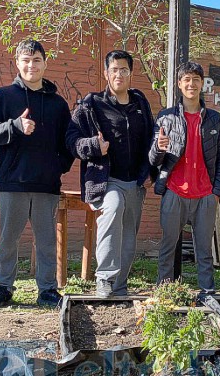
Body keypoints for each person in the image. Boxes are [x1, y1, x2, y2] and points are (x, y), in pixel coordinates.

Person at [0, 39, 73, 308]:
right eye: (26, 60)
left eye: (37, 60)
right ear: (17, 63)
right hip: (12, 182)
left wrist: (58, 166)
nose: (31, 65)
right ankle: (4, 288)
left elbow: (68, 141)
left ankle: (47, 290)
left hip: (46, 184)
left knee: (46, 241)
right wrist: (14, 126)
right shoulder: (3, 96)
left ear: (45, 63)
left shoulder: (57, 104)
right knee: (9, 238)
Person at [66, 50, 154, 297]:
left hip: (134, 181)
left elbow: (150, 135)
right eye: (114, 70)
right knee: (112, 210)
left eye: (124, 70)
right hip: (106, 180)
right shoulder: (91, 104)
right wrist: (94, 146)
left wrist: (152, 162)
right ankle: (104, 278)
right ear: (106, 73)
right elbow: (71, 139)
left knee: (128, 234)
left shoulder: (140, 103)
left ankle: (120, 284)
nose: (119, 74)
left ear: (130, 73)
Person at [150, 61, 220, 294]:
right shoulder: (166, 117)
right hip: (174, 191)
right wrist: (159, 148)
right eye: (186, 79)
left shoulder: (214, 119)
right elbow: (153, 160)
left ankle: (207, 292)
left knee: (203, 250)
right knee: (167, 246)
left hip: (205, 194)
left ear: (202, 84)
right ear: (179, 84)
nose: (191, 84)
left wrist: (217, 192)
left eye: (196, 79)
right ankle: (164, 292)